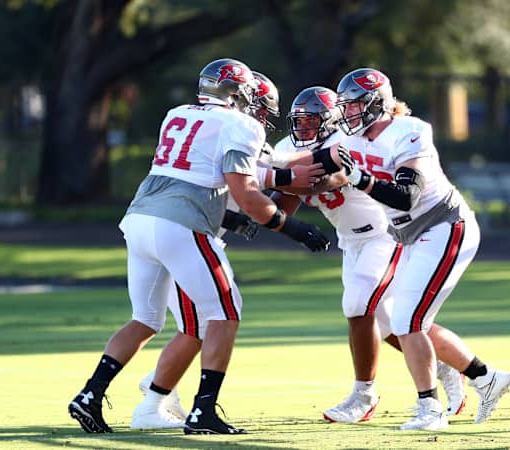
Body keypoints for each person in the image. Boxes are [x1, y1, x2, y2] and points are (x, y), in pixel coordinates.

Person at [67, 58, 335, 435]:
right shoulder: (239, 124)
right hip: (182, 225)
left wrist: (268, 194)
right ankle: (203, 412)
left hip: (140, 219)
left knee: (146, 318)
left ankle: (90, 395)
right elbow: (245, 189)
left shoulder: (178, 114)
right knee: (226, 313)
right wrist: (294, 228)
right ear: (239, 94)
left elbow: (204, 172)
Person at [334, 67, 510, 430]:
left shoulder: (410, 130)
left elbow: (406, 196)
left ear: (376, 104)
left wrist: (359, 178)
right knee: (394, 320)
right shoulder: (348, 138)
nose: (348, 113)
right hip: (408, 236)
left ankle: (429, 410)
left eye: (355, 106)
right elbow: (312, 166)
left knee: (407, 320)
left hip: (444, 226)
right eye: (345, 106)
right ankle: (485, 377)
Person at [275, 86, 467, 424]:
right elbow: (283, 203)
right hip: (350, 242)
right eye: (299, 122)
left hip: (383, 235)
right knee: (392, 322)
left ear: (332, 118)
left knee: (358, 305)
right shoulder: (286, 149)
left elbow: (324, 181)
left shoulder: (346, 140)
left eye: (312, 121)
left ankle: (363, 395)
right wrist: (262, 208)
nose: (304, 129)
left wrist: (276, 173)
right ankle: (448, 368)